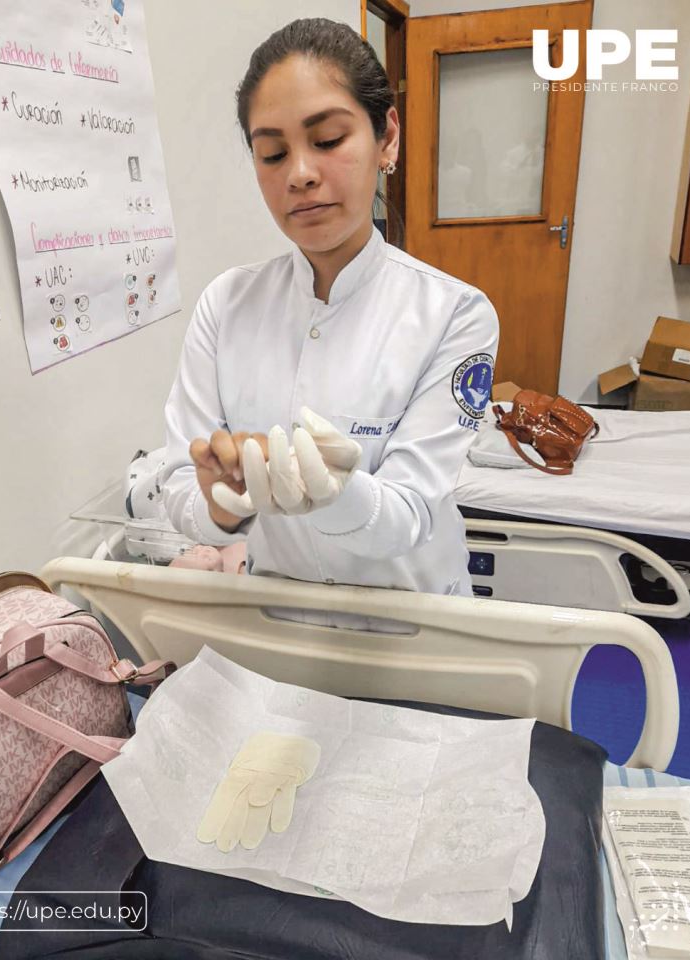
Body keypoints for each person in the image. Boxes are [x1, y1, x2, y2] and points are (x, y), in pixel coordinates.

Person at [161, 18, 498, 626]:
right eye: (272, 152)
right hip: (277, 631)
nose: (299, 173)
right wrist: (218, 507)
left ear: (386, 137)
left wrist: (338, 495)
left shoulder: (454, 314)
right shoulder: (226, 305)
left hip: (413, 634)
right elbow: (179, 481)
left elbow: (411, 512)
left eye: (327, 139)